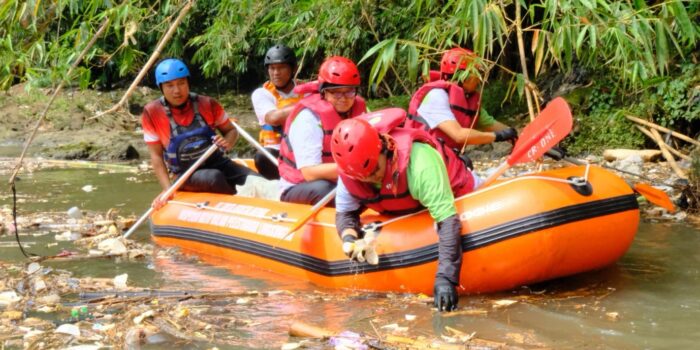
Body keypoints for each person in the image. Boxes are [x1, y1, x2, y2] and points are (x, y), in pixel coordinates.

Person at [331, 109, 479, 312]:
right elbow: (345, 214)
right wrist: (349, 238)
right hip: (401, 207)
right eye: (362, 177)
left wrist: (446, 278)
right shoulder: (351, 172)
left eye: (374, 170)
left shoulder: (419, 163)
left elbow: (448, 220)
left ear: (385, 149)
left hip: (456, 189)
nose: (370, 179)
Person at [141, 58, 259, 209]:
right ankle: (241, 204)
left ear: (188, 82)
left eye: (181, 83)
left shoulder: (207, 103)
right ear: (161, 88)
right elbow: (156, 156)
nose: (177, 90)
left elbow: (231, 130)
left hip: (218, 162)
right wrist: (167, 189)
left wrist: (228, 142)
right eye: (170, 85)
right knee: (214, 177)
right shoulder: (152, 113)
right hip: (185, 175)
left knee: (256, 180)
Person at [278, 56, 367, 205]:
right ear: (323, 92)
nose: (343, 98)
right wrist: (356, 170)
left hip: (345, 178)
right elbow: (310, 173)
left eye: (349, 92)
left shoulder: (359, 109)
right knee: (324, 188)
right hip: (300, 185)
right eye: (336, 92)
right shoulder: (308, 119)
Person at [406, 47, 518, 153]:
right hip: (423, 159)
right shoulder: (436, 96)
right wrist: (498, 136)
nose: (479, 79)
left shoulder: (468, 100)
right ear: (463, 77)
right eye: (476, 74)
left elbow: (491, 124)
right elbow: (459, 136)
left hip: (444, 157)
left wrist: (514, 136)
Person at [250, 44, 305, 180]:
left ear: (293, 69)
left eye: (281, 68)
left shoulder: (305, 90)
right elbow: (273, 118)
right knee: (261, 157)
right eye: (272, 68)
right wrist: (309, 104)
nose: (276, 73)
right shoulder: (261, 94)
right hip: (276, 151)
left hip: (303, 150)